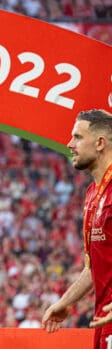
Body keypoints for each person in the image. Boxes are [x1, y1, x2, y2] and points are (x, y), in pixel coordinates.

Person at [42, 109, 112, 348]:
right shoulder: (92, 194)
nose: (69, 144)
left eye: (78, 137)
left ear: (100, 142)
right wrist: (65, 302)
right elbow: (94, 266)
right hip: (103, 319)